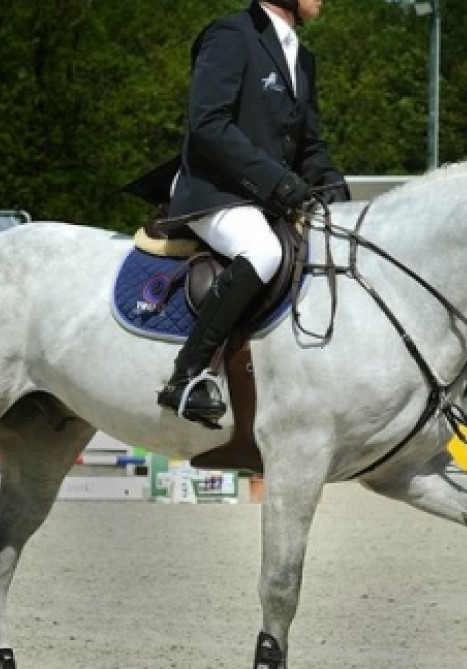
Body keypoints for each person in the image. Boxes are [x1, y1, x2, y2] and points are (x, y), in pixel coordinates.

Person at [155, 0, 349, 425]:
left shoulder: (303, 57)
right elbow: (208, 125)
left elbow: (307, 144)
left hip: (264, 198)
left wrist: (332, 182)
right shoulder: (230, 35)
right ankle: (186, 375)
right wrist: (279, 183)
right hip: (214, 191)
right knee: (264, 252)